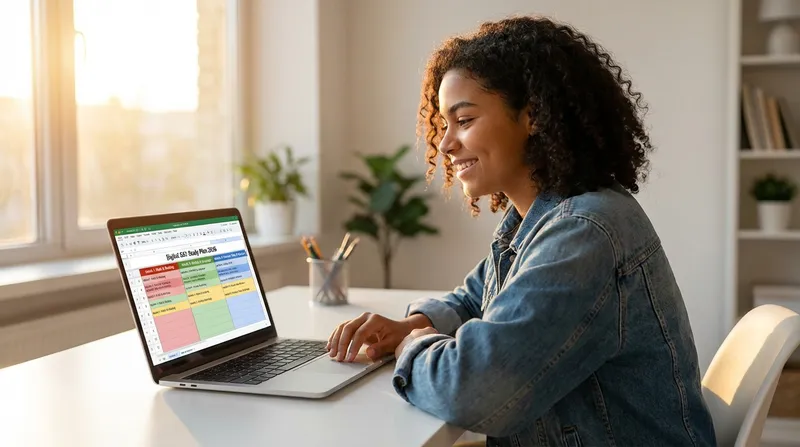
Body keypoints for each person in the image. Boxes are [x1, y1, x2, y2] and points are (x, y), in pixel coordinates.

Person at [326, 15, 717, 447]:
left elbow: (471, 391)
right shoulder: (538, 219)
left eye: (465, 120)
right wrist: (416, 323)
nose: (445, 144)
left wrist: (412, 346)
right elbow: (477, 297)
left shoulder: (584, 232)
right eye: (444, 123)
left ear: (532, 116)